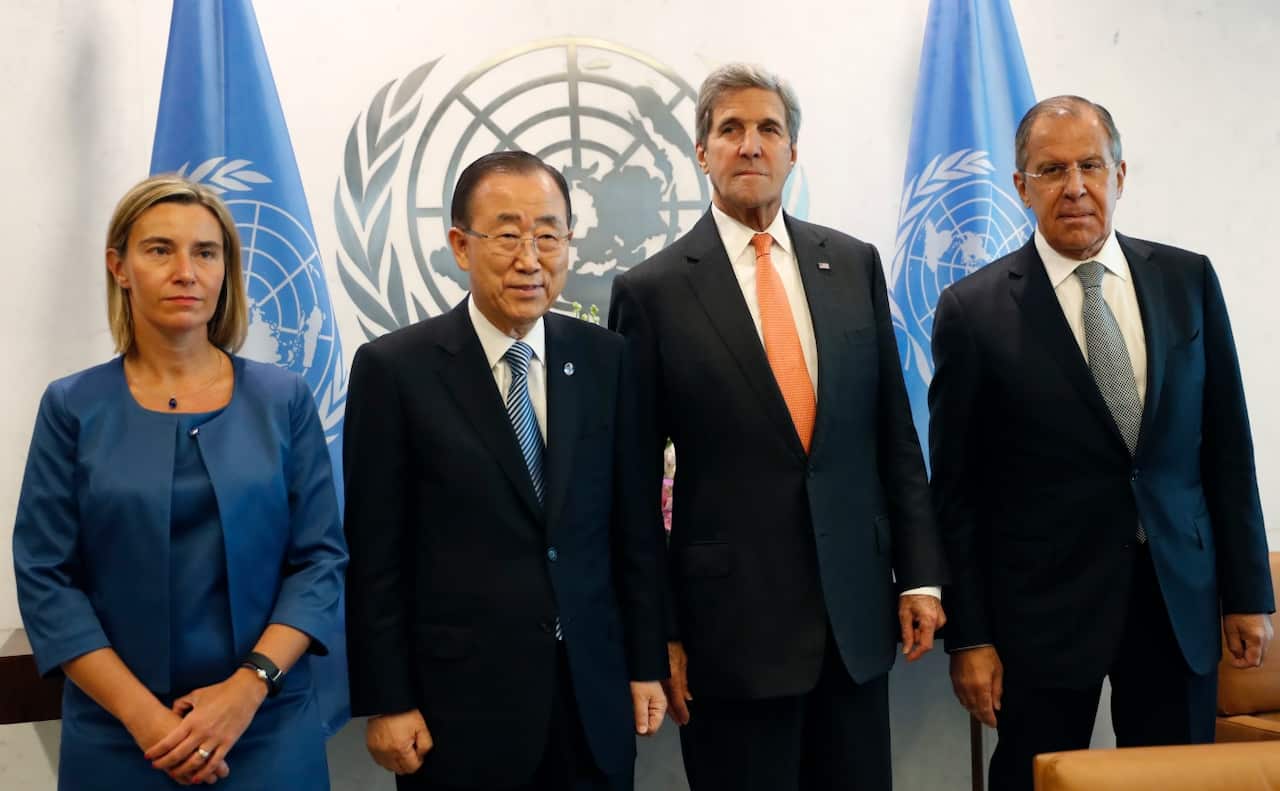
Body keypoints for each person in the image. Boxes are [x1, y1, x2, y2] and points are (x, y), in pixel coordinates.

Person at [608, 63, 947, 791]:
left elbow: (894, 435)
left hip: (855, 626)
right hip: (728, 638)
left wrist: (920, 574)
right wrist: (659, 631)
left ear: (794, 151)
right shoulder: (652, 291)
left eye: (769, 129)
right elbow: (630, 489)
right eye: (730, 129)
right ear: (702, 152)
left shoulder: (852, 264)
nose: (751, 144)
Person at [929, 95, 1275, 791]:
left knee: (1181, 782)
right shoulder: (973, 310)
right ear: (1021, 186)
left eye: (1090, 165)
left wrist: (1248, 594)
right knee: (1033, 779)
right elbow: (957, 494)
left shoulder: (1187, 281)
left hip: (1176, 599)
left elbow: (1228, 450)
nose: (1075, 186)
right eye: (1052, 170)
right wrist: (970, 635)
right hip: (1042, 614)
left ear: (1120, 175)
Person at [342, 150, 668, 791]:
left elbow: (634, 531)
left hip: (592, 701)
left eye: (548, 236)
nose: (530, 259)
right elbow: (376, 555)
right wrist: (388, 700)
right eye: (508, 235)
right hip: (460, 712)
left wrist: (645, 661)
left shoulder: (607, 360)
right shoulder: (395, 370)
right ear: (461, 245)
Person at [12, 174, 348, 789]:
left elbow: (320, 562)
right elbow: (46, 577)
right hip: (120, 733)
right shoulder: (72, 406)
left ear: (227, 270)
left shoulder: (284, 400)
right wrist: (146, 720)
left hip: (264, 721)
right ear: (119, 267)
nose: (186, 272)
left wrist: (246, 691)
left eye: (206, 253)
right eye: (160, 250)